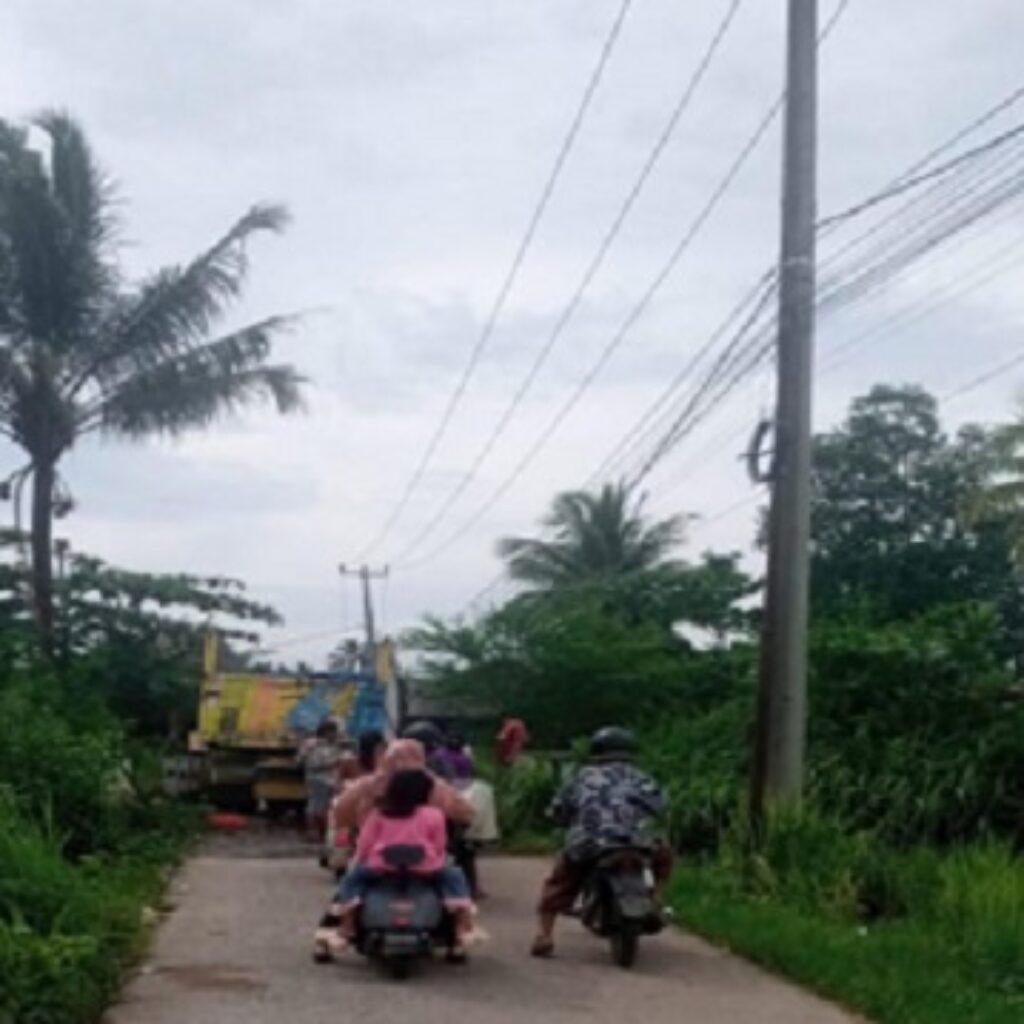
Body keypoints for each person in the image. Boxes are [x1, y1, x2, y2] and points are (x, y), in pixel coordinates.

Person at [530, 726, 672, 958]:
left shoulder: (581, 777)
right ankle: (656, 897)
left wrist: (561, 819)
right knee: (664, 858)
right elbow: (662, 808)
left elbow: (558, 811)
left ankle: (544, 935)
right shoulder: (643, 778)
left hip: (590, 843)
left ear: (596, 750)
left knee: (560, 882)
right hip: (638, 841)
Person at [333, 768, 476, 960]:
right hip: (425, 868)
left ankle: (346, 925)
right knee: (454, 876)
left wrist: (359, 862)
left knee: (352, 881)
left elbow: (365, 844)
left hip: (382, 868)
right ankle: (462, 925)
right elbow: (439, 846)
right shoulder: (434, 815)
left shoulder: (379, 814)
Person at [296, 719, 343, 840]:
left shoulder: (310, 743)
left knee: (316, 805)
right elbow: (333, 761)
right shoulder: (323, 745)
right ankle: (317, 831)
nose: (335, 735)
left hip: (315, 776)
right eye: (333, 732)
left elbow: (299, 759)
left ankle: (316, 831)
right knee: (321, 806)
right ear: (327, 732)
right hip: (322, 777)